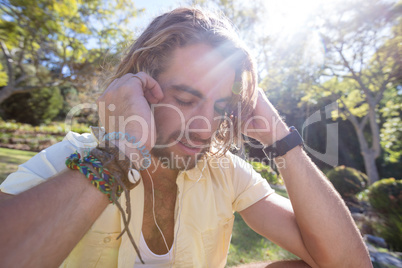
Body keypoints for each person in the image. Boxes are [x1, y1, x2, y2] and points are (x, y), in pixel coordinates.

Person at [0, 7, 371, 268]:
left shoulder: (225, 173)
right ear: (142, 86)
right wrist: (122, 149)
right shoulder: (70, 160)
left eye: (222, 106)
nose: (205, 128)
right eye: (185, 99)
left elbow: (346, 263)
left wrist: (280, 139)